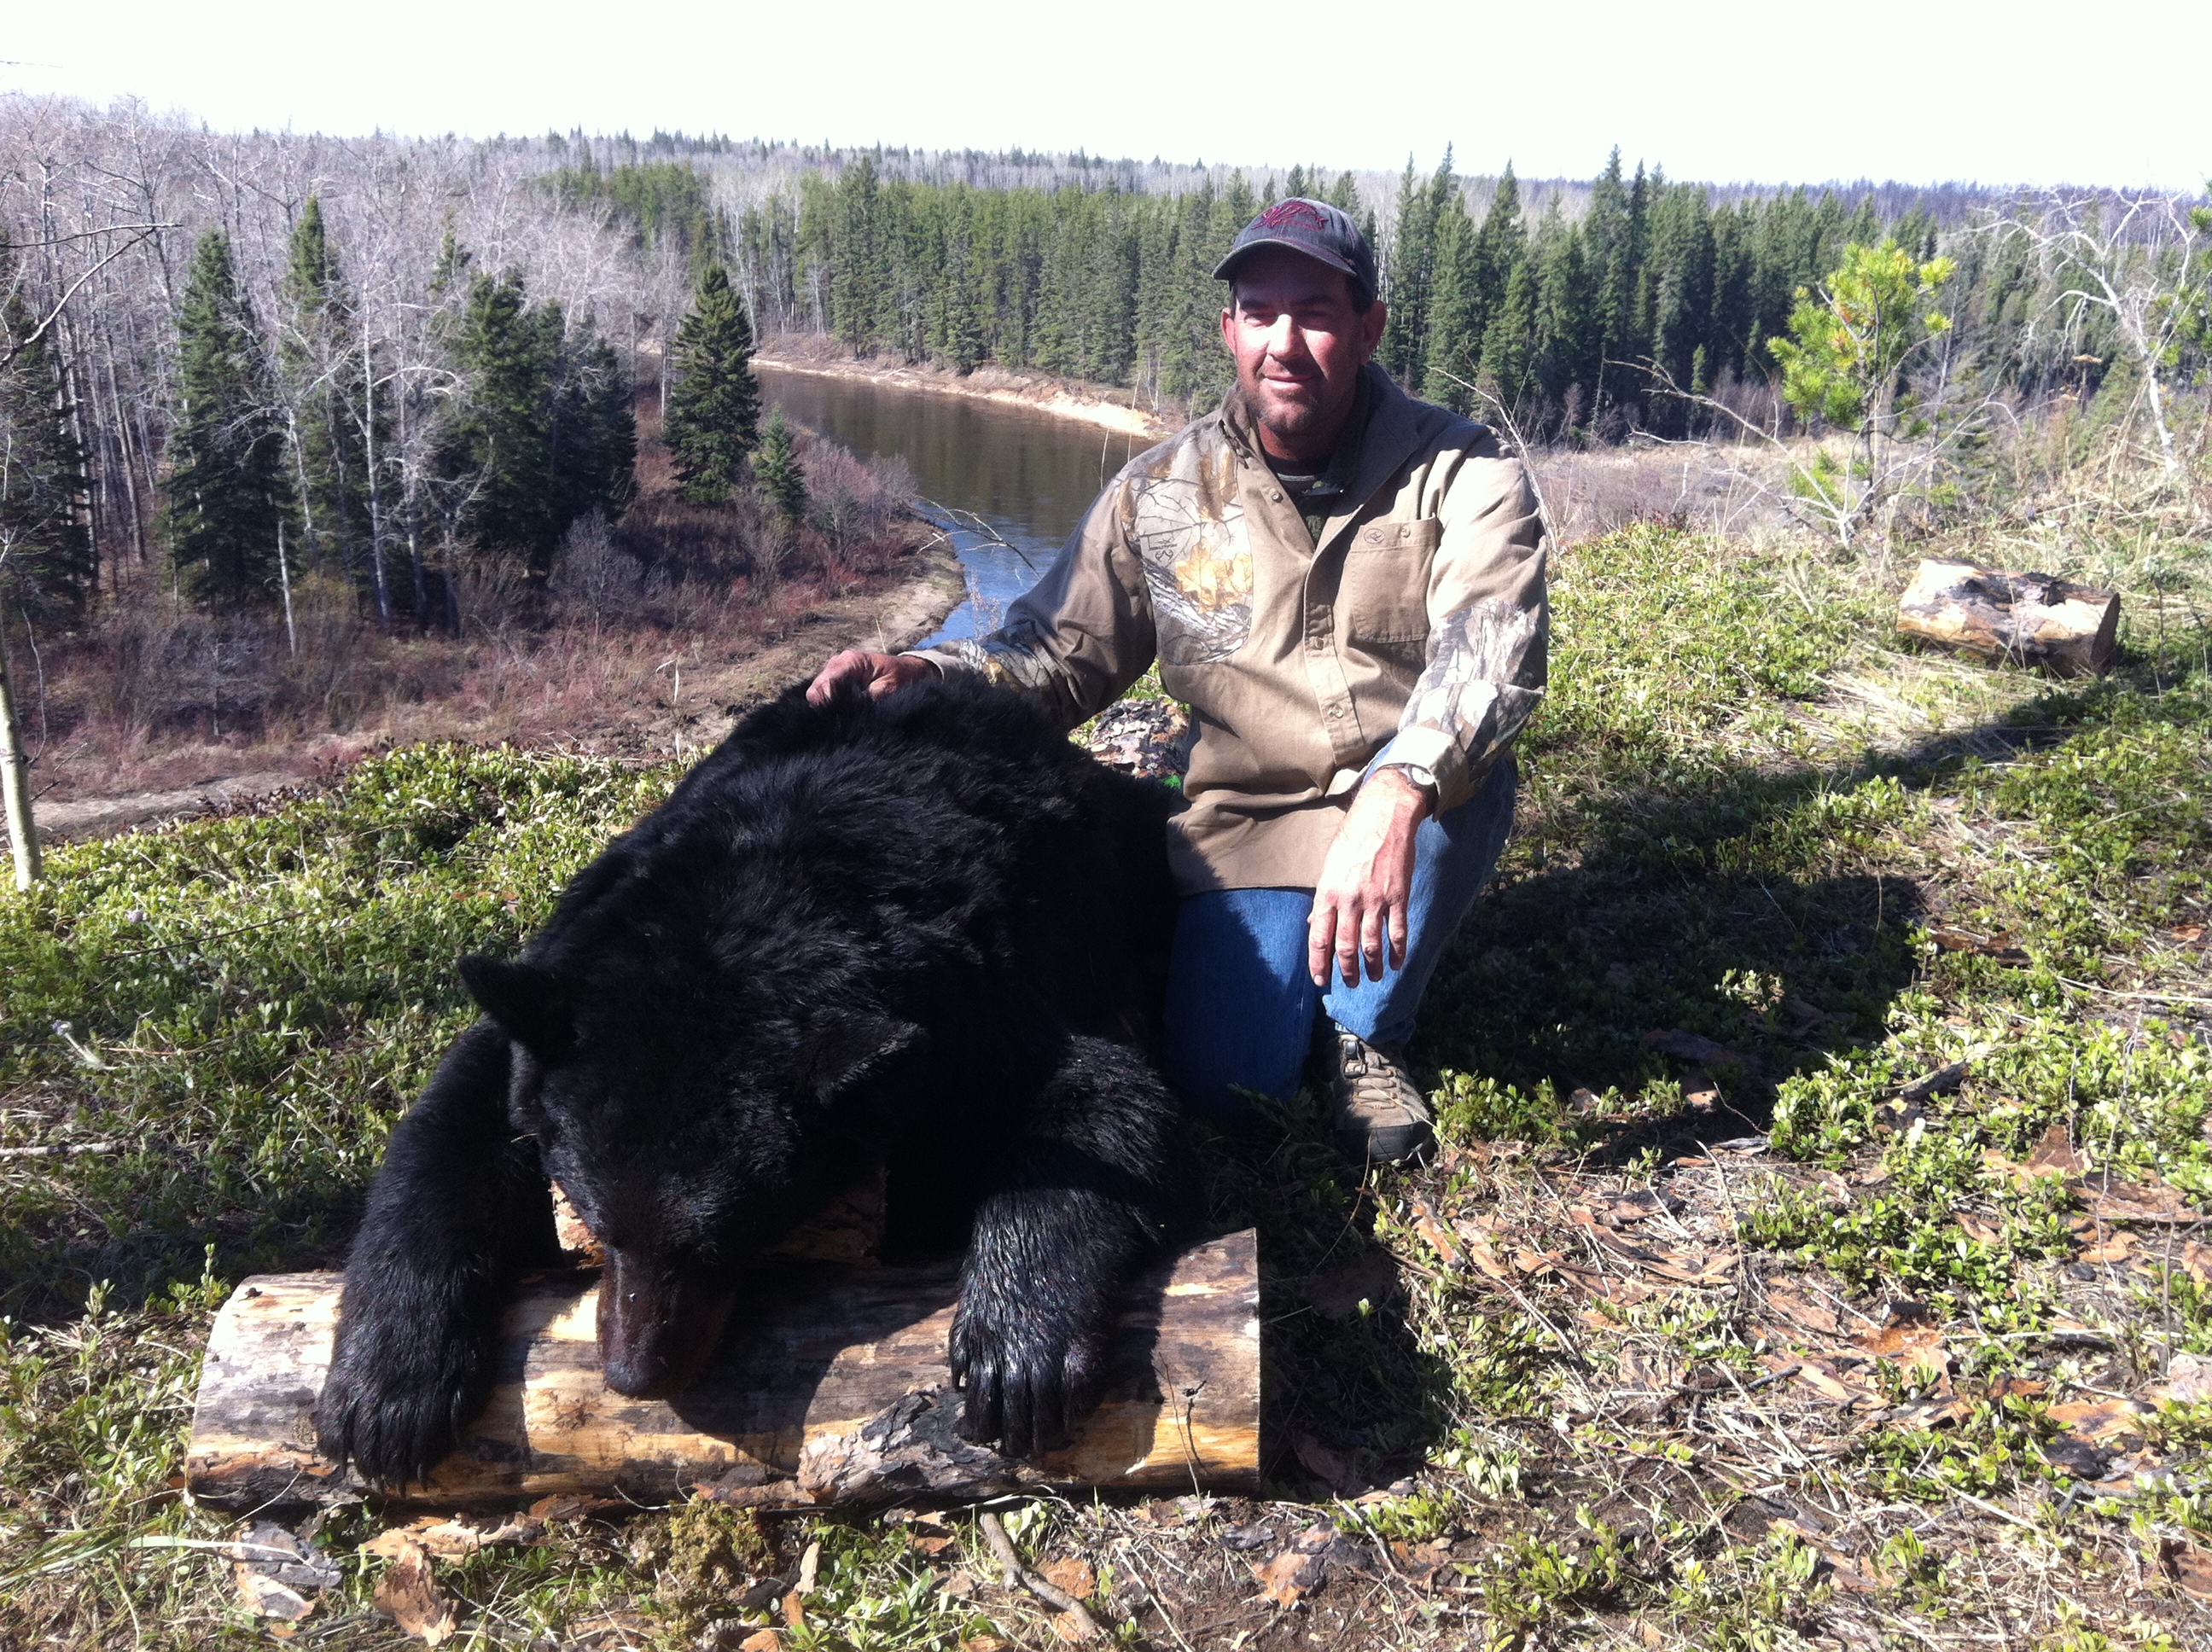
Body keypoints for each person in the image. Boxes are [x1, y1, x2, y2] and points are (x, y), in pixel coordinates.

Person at [808, 197, 1546, 1164]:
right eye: (1259, 311)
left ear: (1368, 327)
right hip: (1250, 826)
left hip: (1415, 807)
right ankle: (1313, 990)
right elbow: (1054, 654)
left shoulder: (1465, 470)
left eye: (1317, 311)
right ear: (1229, 329)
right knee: (1228, 1089)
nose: (1286, 342)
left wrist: (1400, 791)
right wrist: (927, 672)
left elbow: (1494, 645)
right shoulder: (1160, 494)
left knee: (1445, 811)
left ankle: (1371, 1035)